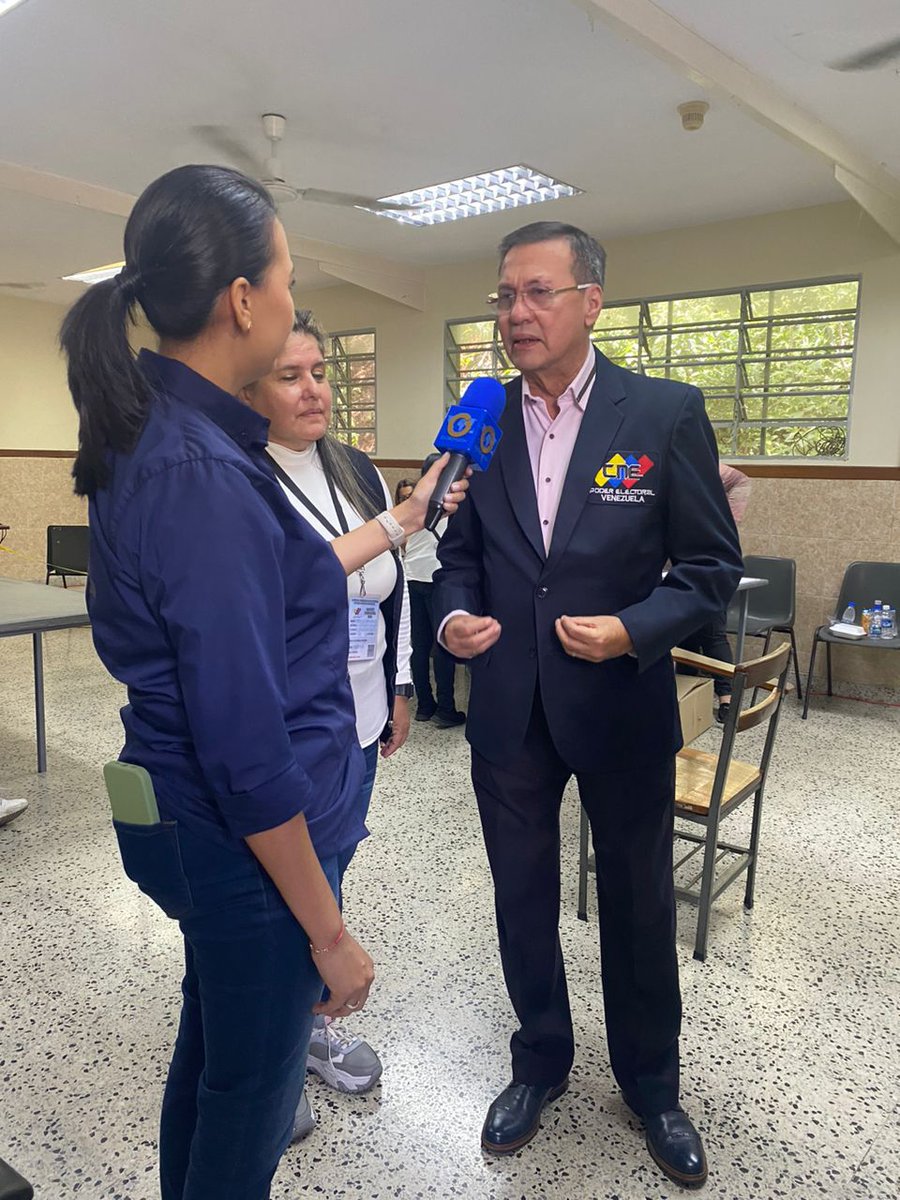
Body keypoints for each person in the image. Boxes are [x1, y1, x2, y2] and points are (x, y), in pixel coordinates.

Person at [59, 163, 466, 1200]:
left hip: (211, 830)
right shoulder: (197, 470)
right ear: (243, 299)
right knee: (252, 1091)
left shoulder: (180, 436)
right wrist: (331, 933)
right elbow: (242, 746)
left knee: (215, 1057)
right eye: (284, 275)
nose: (291, 298)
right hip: (238, 847)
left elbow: (275, 606)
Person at [434, 221, 742, 1189]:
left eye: (537, 293)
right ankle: (540, 1064)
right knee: (521, 898)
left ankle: (651, 1084)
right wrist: (451, 624)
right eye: (503, 297)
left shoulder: (662, 414)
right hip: (511, 708)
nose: (515, 314)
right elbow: (459, 560)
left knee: (639, 901)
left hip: (618, 700)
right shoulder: (480, 417)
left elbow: (708, 568)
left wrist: (634, 629)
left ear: (591, 301)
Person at [243, 311, 455, 1117]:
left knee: (330, 870)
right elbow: (291, 582)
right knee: (282, 890)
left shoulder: (354, 468)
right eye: (289, 375)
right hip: (288, 721)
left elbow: (391, 589)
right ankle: (275, 1050)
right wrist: (403, 518)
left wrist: (400, 689)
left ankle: (306, 1019)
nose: (313, 391)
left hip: (359, 716)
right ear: (250, 386)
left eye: (320, 372)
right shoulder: (242, 477)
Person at [680, 464, 753, 722]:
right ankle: (685, 700)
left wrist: (723, 525)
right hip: (675, 560)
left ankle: (727, 699)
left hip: (710, 559)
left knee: (712, 633)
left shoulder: (707, 466)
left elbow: (742, 481)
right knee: (681, 633)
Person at [398, 460, 464, 728]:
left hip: (413, 576)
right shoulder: (451, 503)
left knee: (419, 645)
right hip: (438, 578)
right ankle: (446, 708)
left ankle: (424, 705)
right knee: (443, 645)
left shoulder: (413, 501)